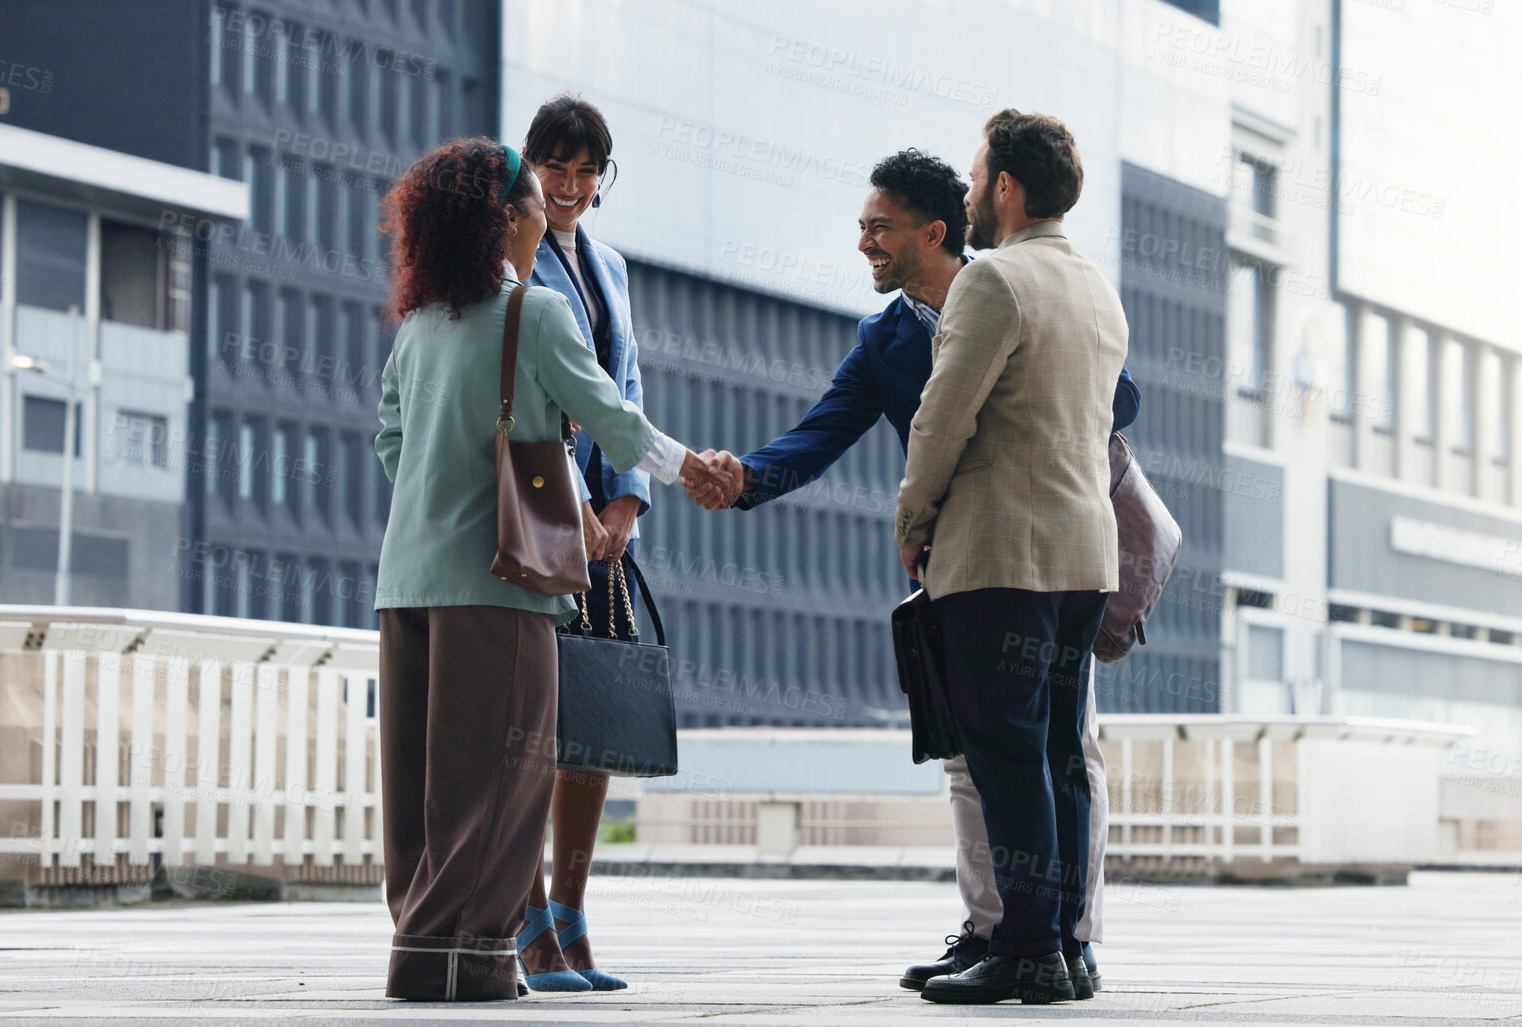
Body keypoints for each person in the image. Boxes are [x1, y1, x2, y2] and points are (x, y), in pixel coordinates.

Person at [685, 149, 1136, 997]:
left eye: (878, 227)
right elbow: (823, 429)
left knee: (1050, 752)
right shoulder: (887, 338)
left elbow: (1113, 397)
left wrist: (932, 502)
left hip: (1026, 548)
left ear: (933, 232)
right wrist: (745, 477)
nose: (864, 243)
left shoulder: (1011, 281)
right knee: (976, 760)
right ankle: (997, 929)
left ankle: (1058, 939)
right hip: (982, 556)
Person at [371, 137, 720, 1002]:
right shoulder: (535, 312)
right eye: (534, 203)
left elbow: (390, 442)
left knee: (420, 784)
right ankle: (474, 957)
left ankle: (422, 951)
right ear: (508, 218)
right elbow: (612, 416)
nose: (543, 219)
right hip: (500, 583)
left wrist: (443, 495)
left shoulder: (419, 323)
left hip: (406, 582)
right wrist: (693, 469)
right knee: (500, 775)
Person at [895, 109, 1127, 1005]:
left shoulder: (992, 279)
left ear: (1004, 185)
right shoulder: (1095, 288)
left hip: (1001, 554)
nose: (965, 192)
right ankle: (1062, 947)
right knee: (1060, 752)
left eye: (973, 175)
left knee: (1006, 752)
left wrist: (913, 517)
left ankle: (1025, 949)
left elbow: (941, 417)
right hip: (1083, 557)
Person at [511, 93, 643, 993]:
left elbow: (625, 383)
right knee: (528, 719)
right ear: (529, 167)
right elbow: (528, 387)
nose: (569, 185)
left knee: (595, 718)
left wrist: (627, 498)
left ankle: (570, 910)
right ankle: (524, 918)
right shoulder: (509, 258)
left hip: (605, 530)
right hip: (538, 507)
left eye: (586, 170)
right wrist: (578, 500)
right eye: (555, 167)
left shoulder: (611, 265)